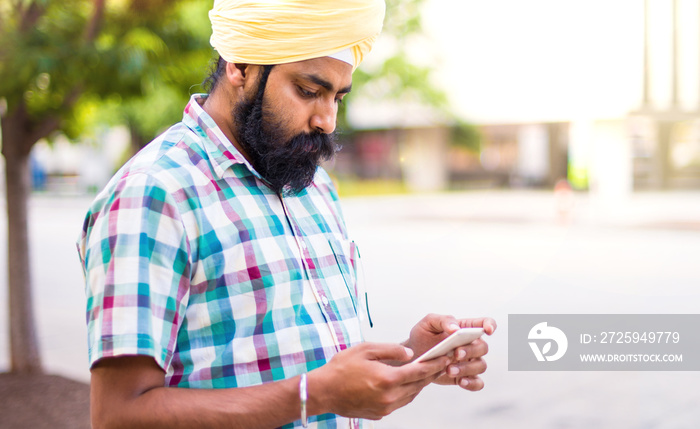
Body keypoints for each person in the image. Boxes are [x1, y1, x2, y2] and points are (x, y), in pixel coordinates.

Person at [77, 1, 496, 428]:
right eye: (309, 91)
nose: (327, 120)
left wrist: (412, 357)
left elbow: (308, 362)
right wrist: (314, 396)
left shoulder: (312, 185)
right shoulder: (153, 193)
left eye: (337, 96)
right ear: (240, 66)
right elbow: (118, 415)